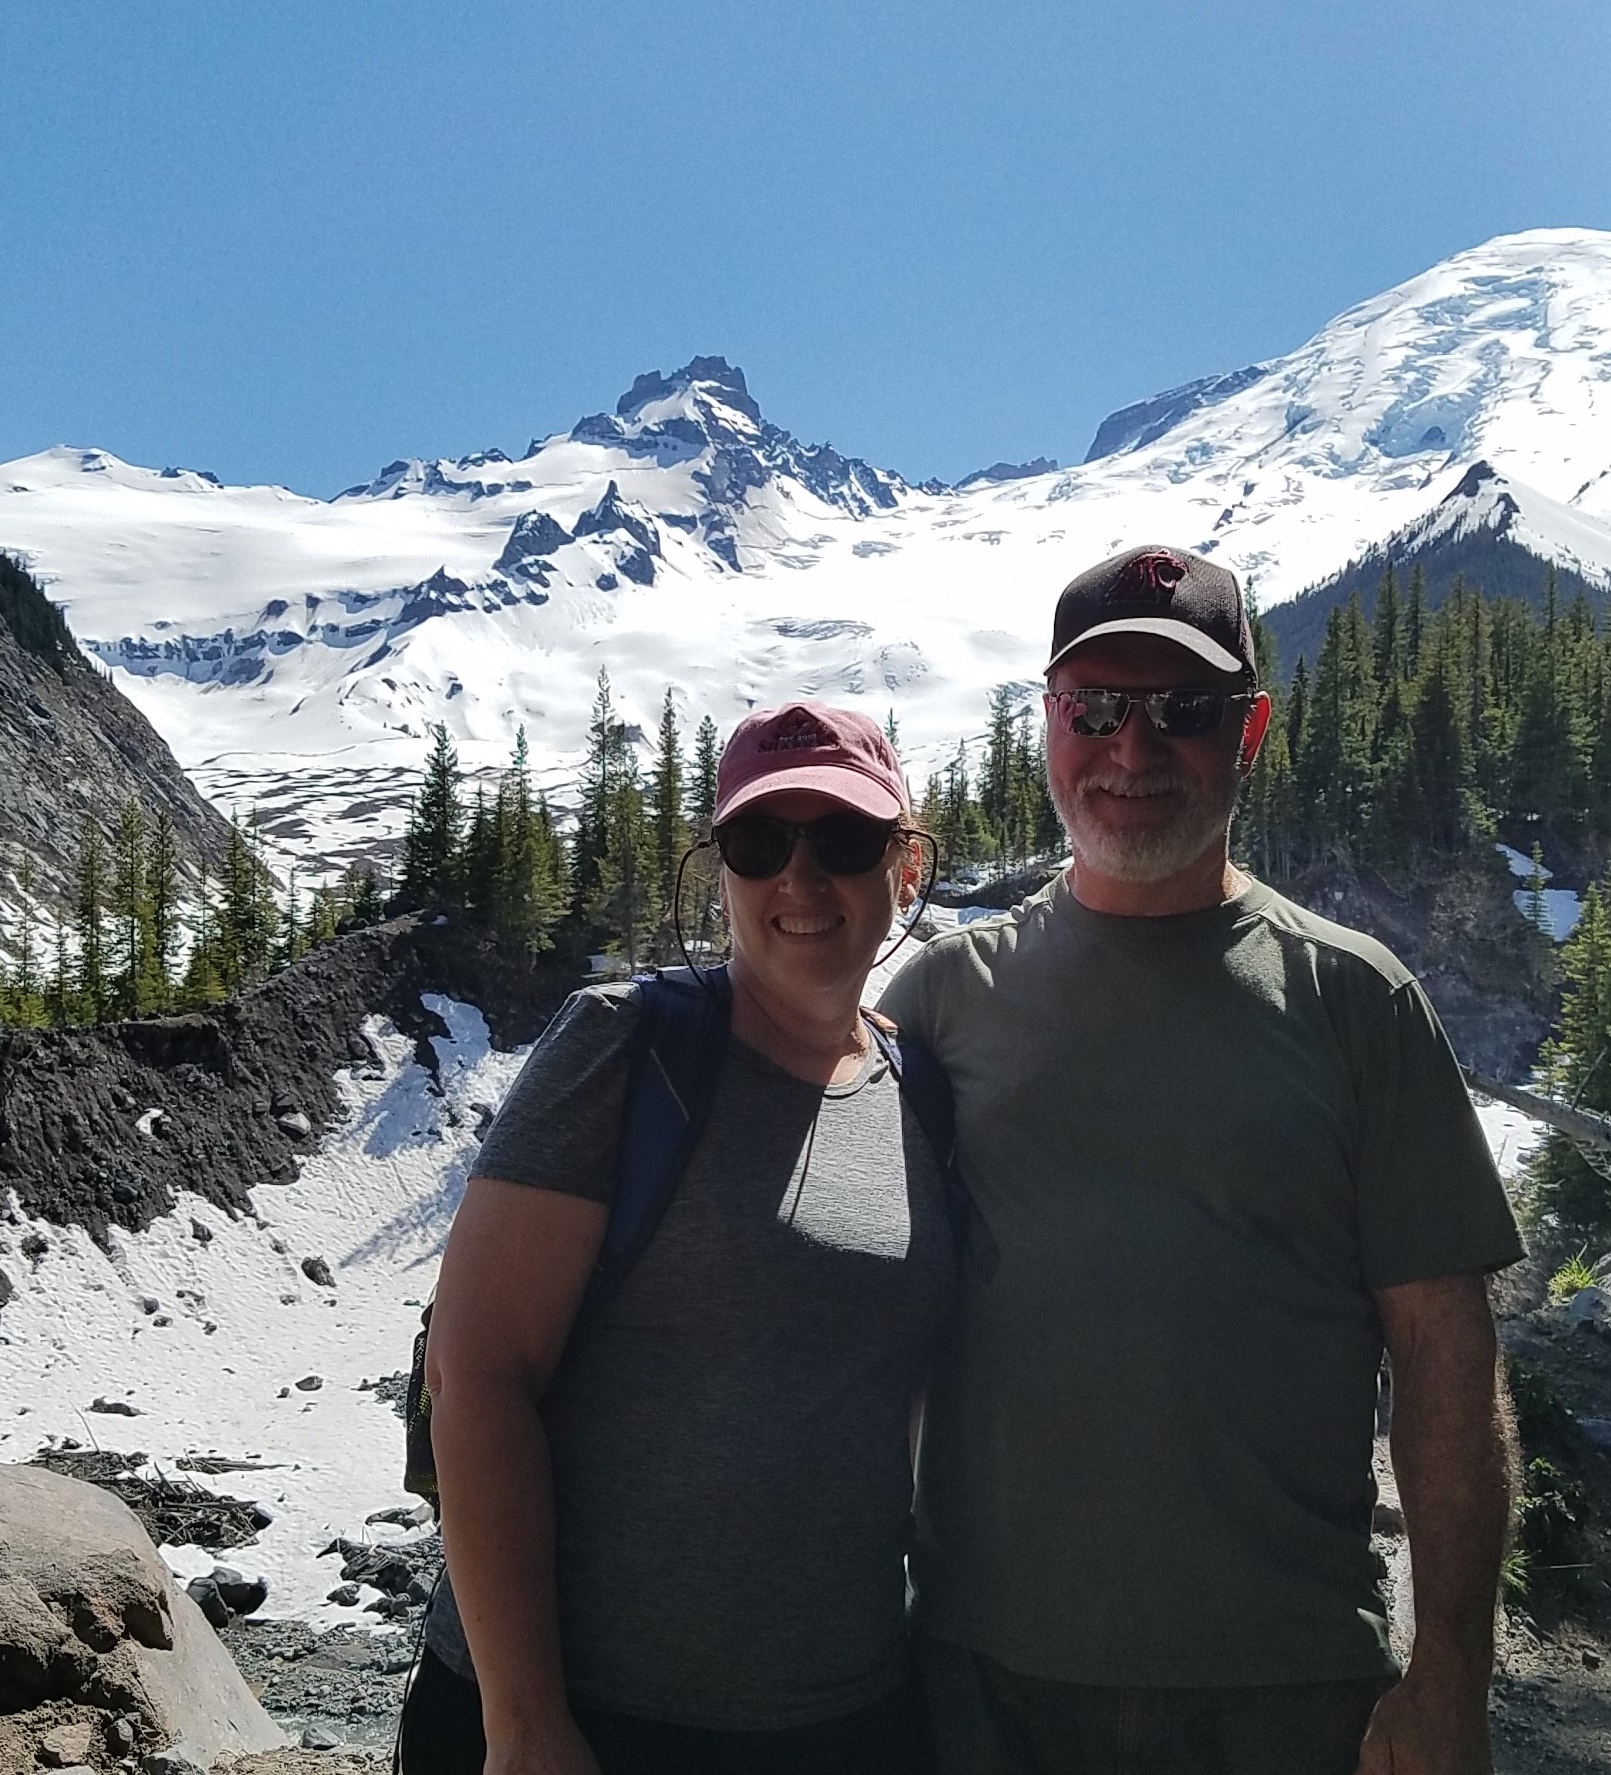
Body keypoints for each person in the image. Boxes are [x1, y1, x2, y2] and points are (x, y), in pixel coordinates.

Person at [883, 545, 1525, 1775]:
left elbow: (1445, 1354)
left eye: (1184, 710)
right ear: (1049, 721)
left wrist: (1450, 1672)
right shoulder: (939, 1000)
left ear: (1251, 728)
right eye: (1098, 710)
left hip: (1284, 1694)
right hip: (981, 1683)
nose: (1134, 749)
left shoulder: (1355, 1001)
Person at [404, 701, 953, 1775]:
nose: (799, 879)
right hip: (590, 1720)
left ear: (903, 864)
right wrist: (524, 1724)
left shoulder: (921, 1087)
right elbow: (474, 1371)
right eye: (760, 842)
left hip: (839, 1713)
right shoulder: (627, 1045)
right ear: (718, 869)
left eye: (842, 840)